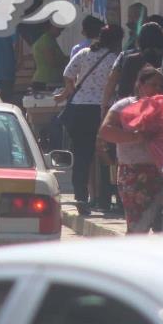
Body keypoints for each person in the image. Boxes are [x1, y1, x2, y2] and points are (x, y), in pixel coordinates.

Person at [59, 24, 124, 215]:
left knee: (82, 156)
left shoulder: (84, 53)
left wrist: (71, 90)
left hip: (79, 110)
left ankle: (81, 198)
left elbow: (67, 74)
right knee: (106, 155)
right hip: (104, 111)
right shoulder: (115, 59)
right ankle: (104, 199)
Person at [97, 65, 163, 233]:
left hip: (161, 173)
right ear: (140, 84)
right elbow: (106, 131)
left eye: (161, 86)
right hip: (133, 173)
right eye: (153, 84)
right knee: (138, 227)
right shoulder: (124, 105)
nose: (157, 89)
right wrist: (136, 137)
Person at [102, 21, 163, 106]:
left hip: (131, 106)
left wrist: (104, 105)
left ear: (140, 39)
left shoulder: (126, 57)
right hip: (159, 106)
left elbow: (112, 82)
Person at [31, 24, 68, 90]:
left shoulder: (50, 39)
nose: (60, 31)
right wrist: (67, 61)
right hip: (46, 80)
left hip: (50, 80)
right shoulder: (46, 40)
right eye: (58, 29)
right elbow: (51, 61)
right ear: (52, 26)